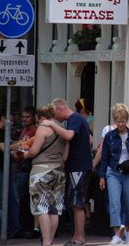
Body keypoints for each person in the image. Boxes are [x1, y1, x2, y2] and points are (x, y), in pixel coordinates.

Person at [42, 98, 93, 246]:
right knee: (75, 203)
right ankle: (77, 236)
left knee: (77, 204)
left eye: (54, 114)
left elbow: (69, 136)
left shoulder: (74, 119)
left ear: (60, 109)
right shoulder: (75, 120)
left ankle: (79, 238)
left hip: (79, 167)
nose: (55, 118)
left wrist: (51, 124)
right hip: (76, 166)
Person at [98, 103, 129, 245]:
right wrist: (101, 176)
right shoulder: (109, 136)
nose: (120, 124)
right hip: (113, 172)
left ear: (127, 120)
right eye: (118, 121)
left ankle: (128, 230)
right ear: (115, 121)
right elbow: (105, 157)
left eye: (123, 121)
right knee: (114, 203)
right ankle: (117, 236)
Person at [25, 105, 67, 246]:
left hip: (41, 171)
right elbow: (65, 155)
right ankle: (51, 241)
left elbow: (34, 151)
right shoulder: (62, 129)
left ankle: (46, 242)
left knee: (42, 207)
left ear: (41, 117)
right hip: (59, 170)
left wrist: (26, 153)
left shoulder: (42, 129)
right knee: (55, 208)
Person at [0, 110, 21, 240]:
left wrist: (16, 151)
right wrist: (18, 145)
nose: (11, 123)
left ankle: (13, 229)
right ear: (3, 118)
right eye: (10, 120)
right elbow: (4, 148)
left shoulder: (3, 132)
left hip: (6, 169)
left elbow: (9, 151)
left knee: (13, 199)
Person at [14, 106, 41, 239]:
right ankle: (26, 227)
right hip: (21, 167)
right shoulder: (24, 130)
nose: (25, 119)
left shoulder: (35, 131)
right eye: (23, 117)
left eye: (27, 117)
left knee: (26, 199)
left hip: (28, 168)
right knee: (22, 199)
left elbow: (27, 149)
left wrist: (18, 150)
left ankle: (30, 227)